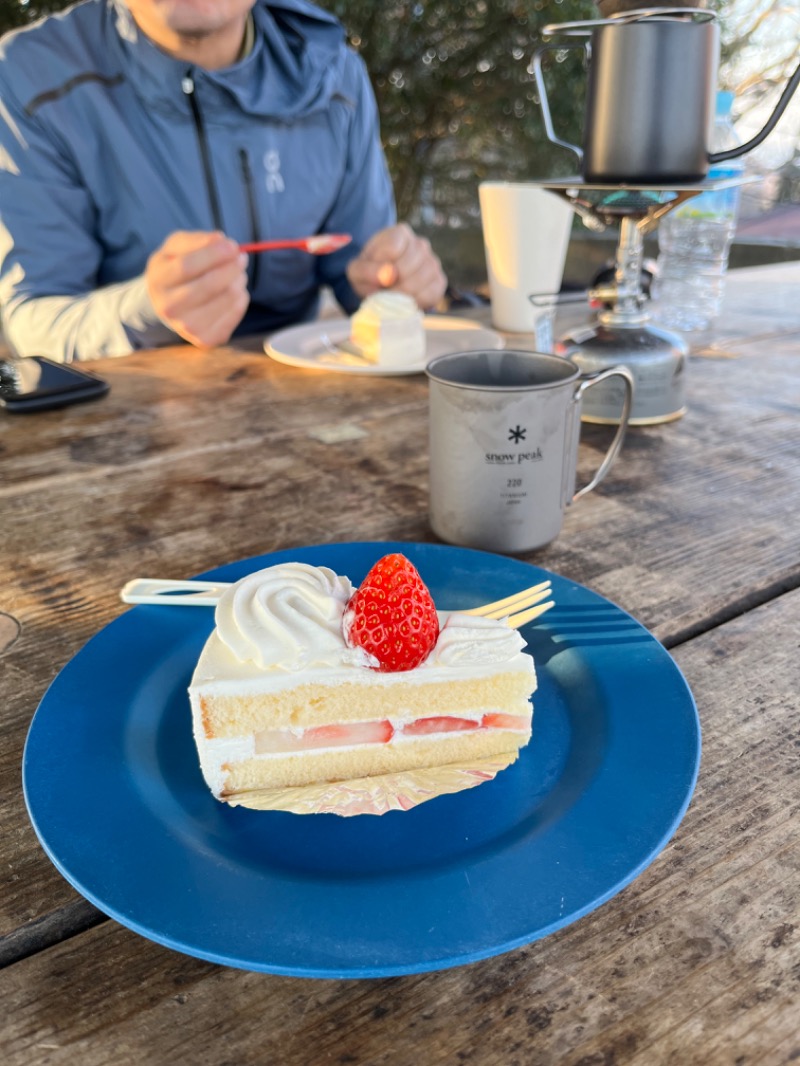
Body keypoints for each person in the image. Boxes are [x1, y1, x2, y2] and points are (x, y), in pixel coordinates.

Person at [0, 0, 447, 362]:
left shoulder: (335, 73)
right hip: (122, 428)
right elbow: (32, 321)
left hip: (314, 409)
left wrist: (397, 283)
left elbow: (363, 271)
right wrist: (148, 308)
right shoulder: (28, 77)